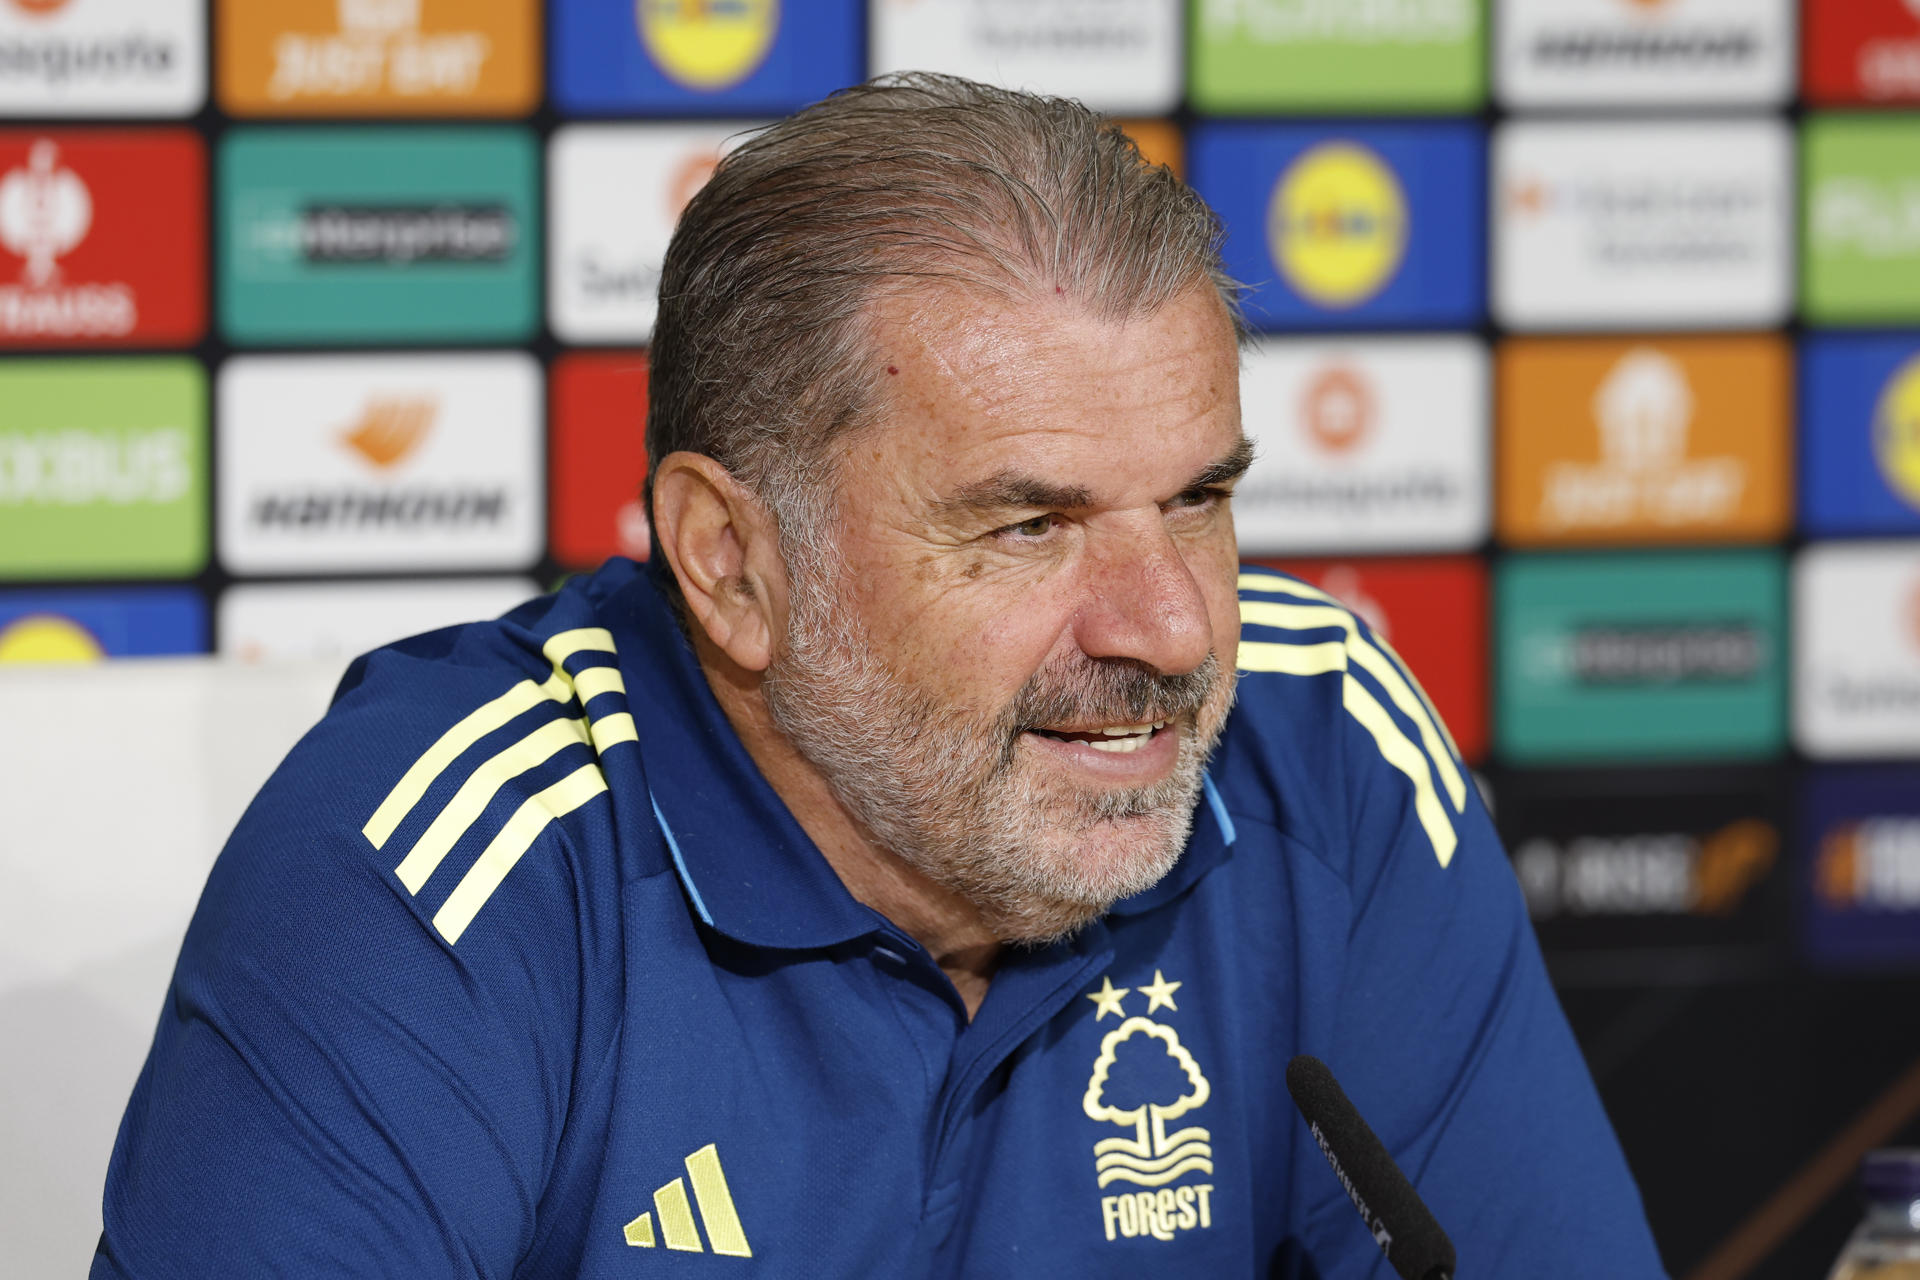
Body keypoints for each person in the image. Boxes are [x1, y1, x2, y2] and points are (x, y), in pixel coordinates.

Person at [94, 74, 1666, 1277]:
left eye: (1198, 499)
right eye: (1029, 524)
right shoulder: (442, 869)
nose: (1175, 630)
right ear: (731, 561)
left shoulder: (1326, 754)